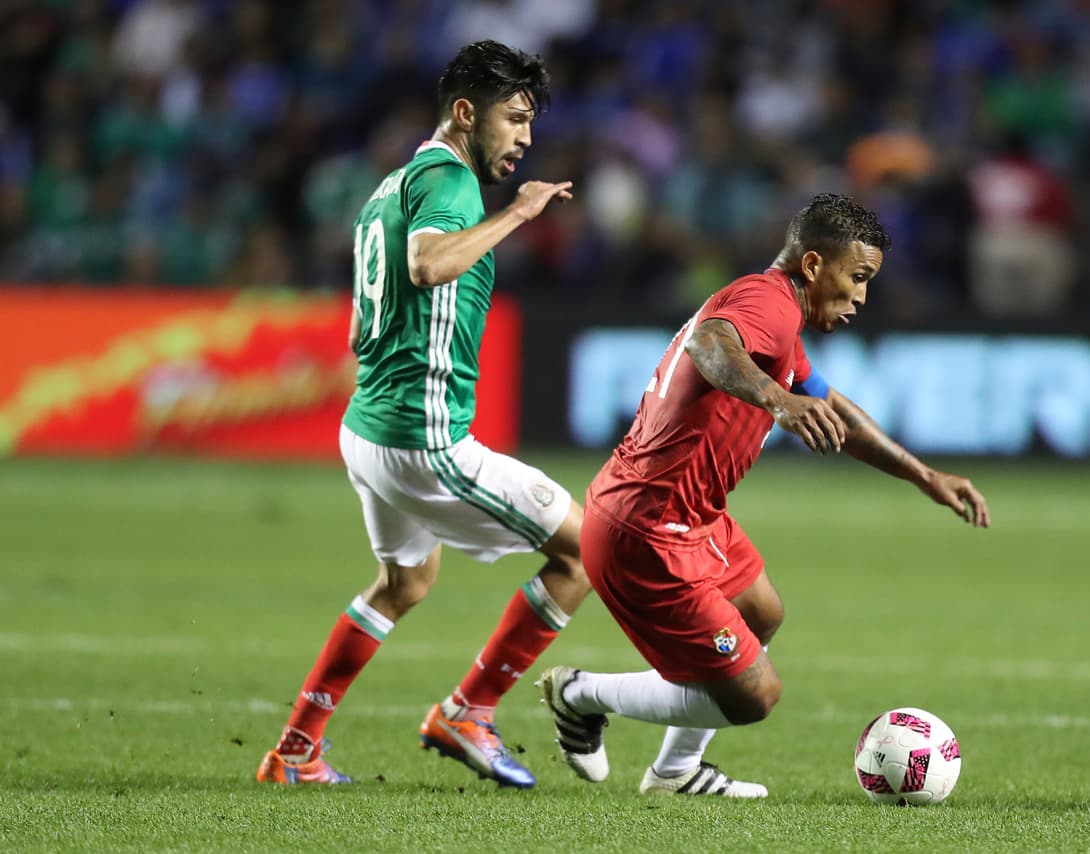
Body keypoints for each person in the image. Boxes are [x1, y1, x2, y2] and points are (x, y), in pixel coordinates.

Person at [537, 194, 991, 798]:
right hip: (648, 530)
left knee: (761, 612)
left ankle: (674, 774)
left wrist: (923, 475)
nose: (861, 296)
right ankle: (577, 694)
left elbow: (832, 407)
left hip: (690, 518)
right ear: (811, 266)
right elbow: (709, 345)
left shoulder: (782, 318)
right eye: (856, 278)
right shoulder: (766, 303)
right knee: (755, 697)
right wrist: (778, 401)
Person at [256, 40, 591, 789]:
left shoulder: (391, 185)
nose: (525, 138)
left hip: (367, 427)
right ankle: (470, 710)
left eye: (531, 123)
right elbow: (429, 265)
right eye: (514, 119)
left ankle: (295, 750)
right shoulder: (451, 180)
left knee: (404, 584)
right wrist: (519, 213)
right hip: (422, 436)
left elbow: (362, 321)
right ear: (466, 113)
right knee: (584, 551)